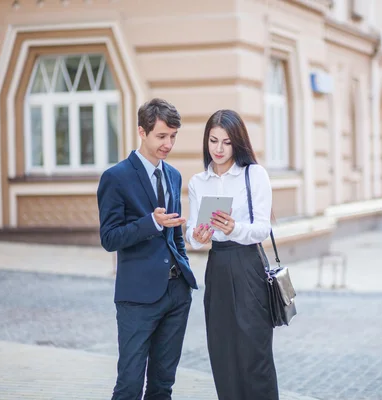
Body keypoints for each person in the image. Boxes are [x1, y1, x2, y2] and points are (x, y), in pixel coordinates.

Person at [97, 98, 197, 400]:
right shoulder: (116, 177)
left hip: (176, 294)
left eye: (173, 136)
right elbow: (109, 238)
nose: (168, 144)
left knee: (162, 386)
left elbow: (174, 231)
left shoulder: (174, 175)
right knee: (129, 386)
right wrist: (150, 223)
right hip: (137, 298)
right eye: (161, 136)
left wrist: (184, 267)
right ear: (142, 131)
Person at [185, 109, 279, 400]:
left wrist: (235, 227)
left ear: (237, 143)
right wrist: (197, 238)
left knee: (255, 354)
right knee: (223, 351)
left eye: (226, 142)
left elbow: (263, 228)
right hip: (218, 265)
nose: (218, 149)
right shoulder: (198, 182)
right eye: (213, 141)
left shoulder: (254, 175)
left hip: (249, 264)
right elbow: (191, 231)